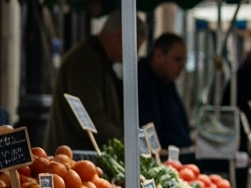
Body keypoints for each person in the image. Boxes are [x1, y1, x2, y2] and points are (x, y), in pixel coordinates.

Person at [47, 11, 147, 149]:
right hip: (73, 159)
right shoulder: (84, 61)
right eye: (134, 48)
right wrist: (127, 144)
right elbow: (94, 120)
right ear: (119, 37)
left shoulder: (100, 61)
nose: (134, 55)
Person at [137, 33, 192, 150]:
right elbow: (152, 132)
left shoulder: (168, 83)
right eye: (177, 59)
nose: (181, 66)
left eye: (184, 61)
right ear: (158, 55)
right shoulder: (143, 85)